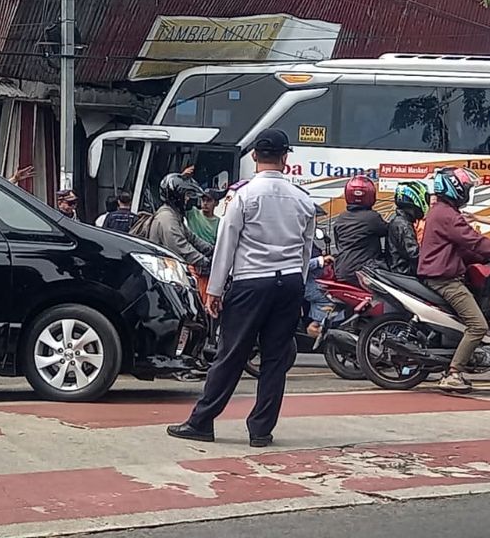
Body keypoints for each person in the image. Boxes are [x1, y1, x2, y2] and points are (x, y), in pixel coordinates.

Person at [167, 129, 315, 448]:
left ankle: (202, 421)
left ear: (254, 157)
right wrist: (297, 285)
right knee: (276, 359)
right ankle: (261, 430)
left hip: (251, 282)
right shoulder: (303, 200)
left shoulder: (244, 196)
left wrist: (215, 290)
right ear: (285, 159)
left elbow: (226, 244)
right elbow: (306, 250)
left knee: (231, 353)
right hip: (288, 282)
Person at [419, 167, 490, 394]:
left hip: (441, 274)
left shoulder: (442, 212)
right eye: (466, 188)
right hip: (444, 280)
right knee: (478, 325)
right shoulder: (448, 215)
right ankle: (453, 373)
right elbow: (475, 241)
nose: (467, 192)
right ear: (454, 188)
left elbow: (466, 249)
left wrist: (487, 258)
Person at [148, 175, 210, 274]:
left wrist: (211, 249)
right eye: (186, 195)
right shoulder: (167, 217)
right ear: (176, 196)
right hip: (163, 273)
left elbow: (192, 238)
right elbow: (179, 246)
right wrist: (205, 261)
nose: (188, 199)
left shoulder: (174, 215)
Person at [331, 175, 388, 282]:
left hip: (341, 271)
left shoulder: (341, 218)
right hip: (364, 273)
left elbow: (338, 243)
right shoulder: (372, 217)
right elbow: (390, 231)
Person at [387, 181, 428, 277]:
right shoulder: (403, 225)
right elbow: (414, 254)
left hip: (400, 271)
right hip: (405, 273)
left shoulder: (401, 221)